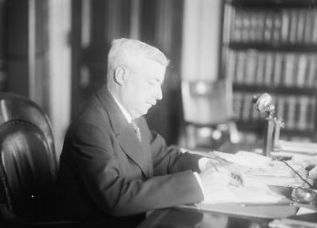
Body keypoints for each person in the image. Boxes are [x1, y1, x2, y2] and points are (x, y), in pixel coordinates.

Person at [57, 38, 237, 227]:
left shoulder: (130, 115)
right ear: (121, 76)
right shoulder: (91, 125)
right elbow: (115, 197)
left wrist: (206, 164)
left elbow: (164, 158)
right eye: (152, 82)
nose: (159, 95)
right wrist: (198, 184)